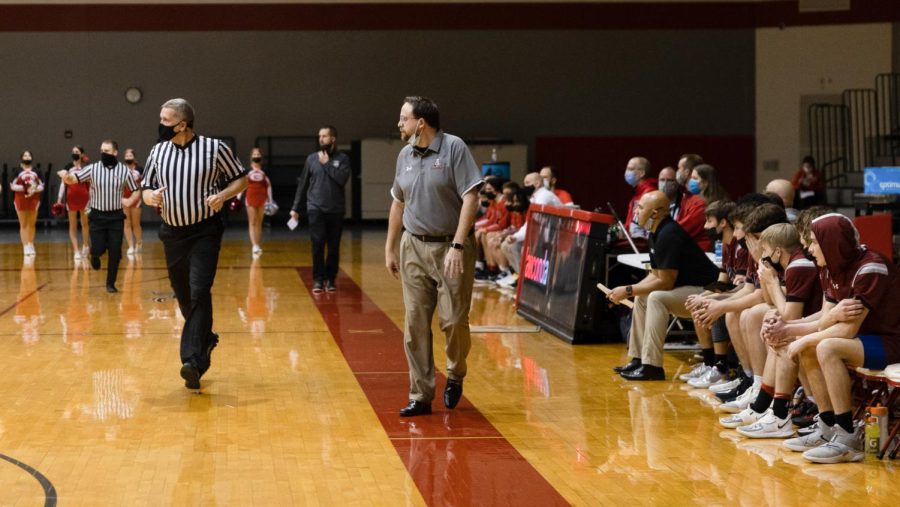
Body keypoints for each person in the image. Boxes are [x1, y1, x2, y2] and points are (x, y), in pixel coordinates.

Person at [385, 96, 483, 417]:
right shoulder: (404, 155)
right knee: (414, 323)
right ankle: (420, 394)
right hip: (413, 245)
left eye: (404, 118)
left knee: (453, 320)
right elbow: (398, 203)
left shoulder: (454, 148)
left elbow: (471, 197)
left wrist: (457, 245)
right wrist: (390, 246)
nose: (399, 124)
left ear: (421, 123)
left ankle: (455, 372)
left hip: (450, 248)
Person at [142, 98, 248, 390]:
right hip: (172, 234)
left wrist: (223, 196)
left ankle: (192, 361)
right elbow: (145, 187)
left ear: (182, 124)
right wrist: (149, 197)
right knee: (184, 295)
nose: (160, 125)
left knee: (200, 289)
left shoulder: (214, 148)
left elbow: (242, 179)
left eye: (165, 120)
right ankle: (206, 339)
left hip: (205, 232)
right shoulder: (158, 151)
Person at [785, 214, 900, 463]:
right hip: (863, 339)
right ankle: (827, 429)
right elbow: (827, 320)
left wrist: (803, 338)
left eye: (814, 242)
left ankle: (847, 438)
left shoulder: (871, 267)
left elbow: (846, 330)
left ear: (832, 242)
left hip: (890, 341)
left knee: (826, 347)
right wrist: (788, 330)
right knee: (815, 345)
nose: (808, 248)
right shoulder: (829, 268)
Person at [608, 191, 719, 380]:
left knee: (656, 297)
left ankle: (652, 366)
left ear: (655, 213)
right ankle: (638, 358)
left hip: (707, 290)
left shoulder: (669, 234)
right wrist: (630, 291)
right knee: (642, 296)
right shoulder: (656, 232)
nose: (636, 211)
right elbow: (656, 275)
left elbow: (665, 282)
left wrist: (627, 290)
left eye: (641, 207)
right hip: (687, 289)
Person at [58, 140, 140, 293]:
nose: (103, 153)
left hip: (116, 217)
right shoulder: (93, 169)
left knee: (115, 251)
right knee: (97, 248)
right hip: (97, 216)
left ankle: (111, 283)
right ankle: (94, 256)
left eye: (107, 151)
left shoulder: (124, 171)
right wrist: (65, 176)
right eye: (102, 150)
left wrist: (130, 200)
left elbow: (136, 189)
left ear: (115, 152)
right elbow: (73, 179)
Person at [290, 126, 351, 293]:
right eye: (320, 136)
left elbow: (342, 179)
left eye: (325, 136)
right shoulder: (311, 159)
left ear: (333, 139)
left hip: (336, 209)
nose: (321, 139)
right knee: (317, 245)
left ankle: (330, 279)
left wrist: (328, 164)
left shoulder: (343, 158)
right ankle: (318, 279)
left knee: (333, 246)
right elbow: (302, 184)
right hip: (315, 208)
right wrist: (295, 208)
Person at [496, 172, 562, 288]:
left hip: (557, 237)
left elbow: (537, 224)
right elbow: (529, 223)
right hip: (543, 235)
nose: (524, 186)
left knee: (523, 248)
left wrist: (522, 238)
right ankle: (523, 278)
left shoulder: (544, 196)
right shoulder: (534, 198)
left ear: (537, 183)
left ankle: (533, 283)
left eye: (527, 183)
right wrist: (515, 236)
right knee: (507, 245)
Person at [658, 166, 710, 251]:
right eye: (662, 180)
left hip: (694, 251)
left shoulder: (697, 203)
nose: (665, 184)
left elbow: (681, 231)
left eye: (670, 180)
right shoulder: (653, 201)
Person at [57, 145, 91, 261]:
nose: (74, 153)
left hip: (85, 198)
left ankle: (85, 246)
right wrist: (59, 199)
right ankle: (76, 251)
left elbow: (91, 185)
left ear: (82, 154)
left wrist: (92, 199)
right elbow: (63, 183)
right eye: (73, 151)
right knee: (72, 225)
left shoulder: (87, 167)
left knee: (85, 224)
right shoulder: (67, 167)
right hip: (71, 198)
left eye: (76, 151)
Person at [240, 147, 273, 256]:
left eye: (258, 154)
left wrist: (270, 201)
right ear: (251, 157)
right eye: (254, 154)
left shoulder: (265, 171)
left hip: (262, 198)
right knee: (252, 222)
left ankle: (258, 244)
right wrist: (238, 197)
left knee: (259, 222)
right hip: (250, 198)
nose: (256, 155)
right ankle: (254, 245)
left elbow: (268, 186)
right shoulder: (247, 171)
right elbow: (242, 185)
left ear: (261, 157)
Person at [10, 150, 44, 257]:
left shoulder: (37, 171)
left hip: (34, 200)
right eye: (25, 155)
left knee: (32, 223)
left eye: (29, 155)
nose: (27, 157)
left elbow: (41, 186)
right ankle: (25, 246)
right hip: (21, 199)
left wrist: (33, 189)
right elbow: (12, 186)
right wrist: (24, 188)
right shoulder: (17, 171)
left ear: (32, 158)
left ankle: (30, 243)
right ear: (22, 158)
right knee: (23, 224)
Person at [623, 157, 657, 244]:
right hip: (633, 242)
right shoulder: (637, 193)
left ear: (642, 173)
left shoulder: (649, 193)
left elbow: (648, 226)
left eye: (630, 169)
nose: (626, 172)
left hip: (641, 246)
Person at [122, 148, 144, 256]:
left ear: (134, 157)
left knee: (136, 224)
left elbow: (143, 185)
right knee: (126, 223)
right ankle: (130, 246)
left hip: (136, 199)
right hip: (124, 199)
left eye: (130, 156)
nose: (128, 158)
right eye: (126, 156)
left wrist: (136, 197)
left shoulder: (139, 169)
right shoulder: (121, 170)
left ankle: (139, 243)